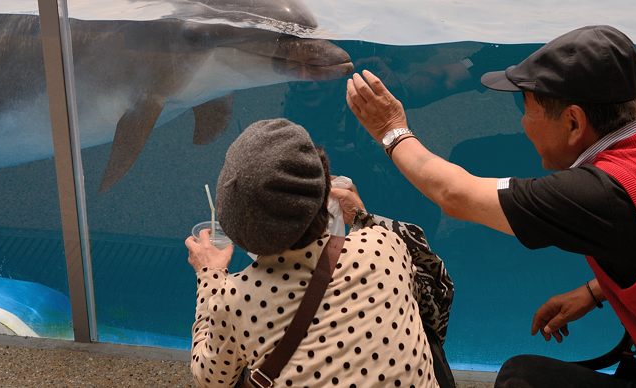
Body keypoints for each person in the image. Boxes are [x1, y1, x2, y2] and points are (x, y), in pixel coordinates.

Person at [344, 25, 636, 388]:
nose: (522, 122)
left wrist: (390, 129)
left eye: (528, 110)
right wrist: (597, 290)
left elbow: (456, 194)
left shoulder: (602, 193)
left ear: (574, 122)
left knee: (522, 379)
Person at [185, 118, 447, 387]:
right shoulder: (381, 244)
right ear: (325, 192)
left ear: (235, 224)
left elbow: (211, 379)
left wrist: (210, 276)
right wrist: (361, 216)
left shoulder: (234, 298)